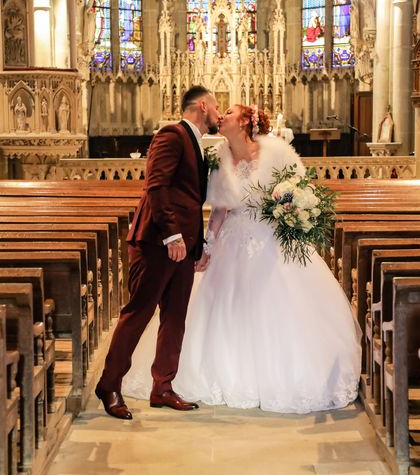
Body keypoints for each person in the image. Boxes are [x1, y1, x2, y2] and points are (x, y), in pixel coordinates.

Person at [123, 104, 362, 414]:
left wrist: (292, 210)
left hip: (271, 240)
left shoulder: (276, 151)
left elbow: (301, 189)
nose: (222, 116)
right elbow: (220, 209)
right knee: (219, 305)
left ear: (247, 121)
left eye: (230, 112)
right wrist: (207, 245)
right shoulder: (219, 157)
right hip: (232, 240)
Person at [95, 86, 222, 420]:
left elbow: (190, 198)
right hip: (157, 243)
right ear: (202, 106)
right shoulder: (172, 134)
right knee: (138, 313)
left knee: (175, 317)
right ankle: (109, 385)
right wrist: (173, 236)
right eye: (217, 107)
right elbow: (156, 186)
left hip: (182, 247)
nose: (219, 114)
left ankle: (162, 387)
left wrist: (196, 245)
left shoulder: (194, 140)